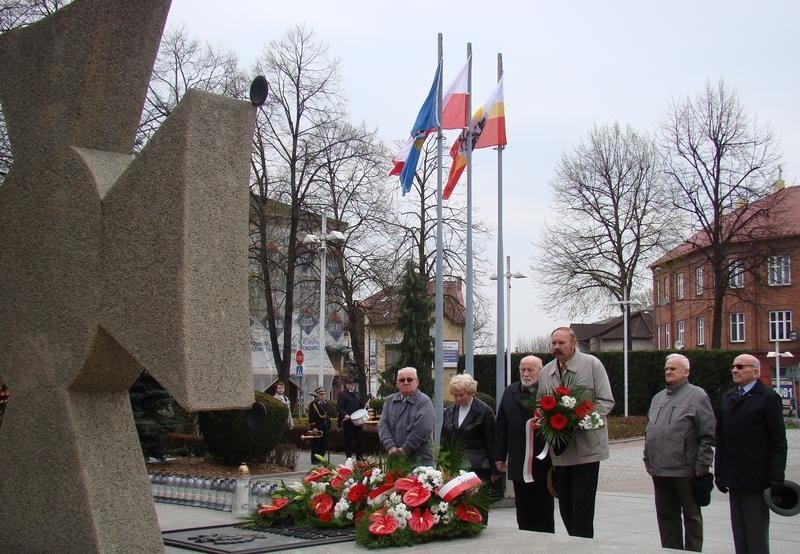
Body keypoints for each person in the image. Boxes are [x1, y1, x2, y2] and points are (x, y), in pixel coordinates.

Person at [538, 326, 614, 538]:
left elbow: (606, 401)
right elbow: (541, 406)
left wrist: (580, 418)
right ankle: (574, 543)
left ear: (573, 343)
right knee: (565, 507)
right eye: (553, 343)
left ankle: (582, 546)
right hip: (561, 453)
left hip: (587, 449)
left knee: (582, 507)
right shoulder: (546, 372)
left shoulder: (591, 365)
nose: (556, 347)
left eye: (561, 343)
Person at [715, 353, 787, 554]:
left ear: (756, 372)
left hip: (757, 477)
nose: (735, 370)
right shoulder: (728, 397)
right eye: (733, 366)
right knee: (739, 531)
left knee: (756, 532)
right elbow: (721, 439)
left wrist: (776, 476)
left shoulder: (768, 398)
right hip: (734, 475)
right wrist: (719, 472)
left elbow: (778, 441)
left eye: (740, 366)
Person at [643, 353, 715, 551]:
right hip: (659, 469)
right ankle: (671, 549)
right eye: (666, 368)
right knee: (666, 516)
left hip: (686, 469)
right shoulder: (658, 397)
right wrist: (647, 458)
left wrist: (702, 464)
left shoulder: (697, 395)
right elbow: (650, 429)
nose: (668, 371)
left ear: (686, 371)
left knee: (691, 517)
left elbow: (707, 433)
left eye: (673, 368)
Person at [495, 355, 555, 532]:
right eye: (523, 369)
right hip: (518, 460)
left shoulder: (548, 393)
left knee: (543, 510)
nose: (526, 373)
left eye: (531, 369)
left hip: (542, 462)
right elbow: (501, 426)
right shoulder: (510, 391)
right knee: (522, 511)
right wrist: (499, 456)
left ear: (540, 371)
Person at [441, 374, 498, 494]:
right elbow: (444, 440)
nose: (457, 399)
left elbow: (492, 441)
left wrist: (495, 470)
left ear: (471, 392)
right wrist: (441, 466)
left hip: (478, 468)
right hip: (454, 466)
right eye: (455, 395)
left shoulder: (485, 411)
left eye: (461, 395)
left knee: (477, 508)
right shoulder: (450, 411)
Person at [378, 367, 435, 466]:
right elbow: (382, 425)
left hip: (419, 462)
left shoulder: (425, 402)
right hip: (395, 460)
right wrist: (391, 446)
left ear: (417, 382)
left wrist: (404, 450)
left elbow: (422, 430)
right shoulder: (389, 401)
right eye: (401, 380)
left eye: (409, 379)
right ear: (397, 383)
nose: (405, 382)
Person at [337, 375, 365, 460]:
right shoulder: (342, 394)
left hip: (357, 421)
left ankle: (359, 457)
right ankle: (348, 458)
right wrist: (345, 414)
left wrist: (364, 411)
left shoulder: (356, 394)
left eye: (353, 383)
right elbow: (339, 407)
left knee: (359, 440)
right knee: (348, 441)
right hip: (348, 421)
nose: (353, 385)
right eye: (350, 383)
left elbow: (360, 406)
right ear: (346, 385)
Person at [307, 386, 331, 464]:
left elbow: (327, 416)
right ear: (317, 395)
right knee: (316, 444)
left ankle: (321, 459)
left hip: (324, 427)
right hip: (317, 427)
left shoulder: (325, 404)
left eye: (323, 394)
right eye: (320, 394)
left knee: (323, 444)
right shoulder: (313, 404)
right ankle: (314, 459)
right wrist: (313, 427)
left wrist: (329, 425)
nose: (323, 396)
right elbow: (311, 417)